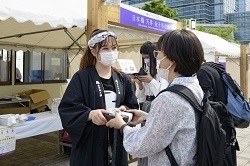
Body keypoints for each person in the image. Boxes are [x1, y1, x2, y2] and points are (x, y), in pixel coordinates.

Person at [106, 29, 205, 166]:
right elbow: (178, 121)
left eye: (158, 52)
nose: (156, 57)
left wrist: (122, 126)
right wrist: (148, 116)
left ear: (173, 59)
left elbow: (141, 145)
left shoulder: (169, 99)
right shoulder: (194, 86)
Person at [58, 29, 139, 166]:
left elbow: (132, 105)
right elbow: (67, 108)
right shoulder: (82, 77)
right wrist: (89, 114)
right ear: (94, 51)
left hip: (117, 142)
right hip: (90, 146)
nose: (111, 52)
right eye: (105, 49)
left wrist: (124, 110)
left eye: (114, 48)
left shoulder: (122, 78)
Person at [196, 61, 238, 165]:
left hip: (216, 120)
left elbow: (208, 100)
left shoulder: (202, 72)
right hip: (224, 115)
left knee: (219, 155)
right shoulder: (215, 68)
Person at [133, 41, 168, 111]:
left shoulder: (161, 69)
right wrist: (140, 84)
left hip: (157, 104)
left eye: (147, 57)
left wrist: (151, 81)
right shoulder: (146, 69)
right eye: (143, 58)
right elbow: (141, 98)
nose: (145, 60)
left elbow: (163, 93)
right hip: (146, 104)